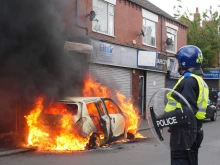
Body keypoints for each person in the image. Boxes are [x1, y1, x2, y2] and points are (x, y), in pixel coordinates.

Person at [165, 45, 209, 165]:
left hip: (183, 134)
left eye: (179, 61)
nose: (178, 65)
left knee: (181, 161)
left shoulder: (188, 81)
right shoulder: (198, 80)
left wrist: (165, 119)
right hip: (193, 130)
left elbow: (187, 111)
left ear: (185, 62)